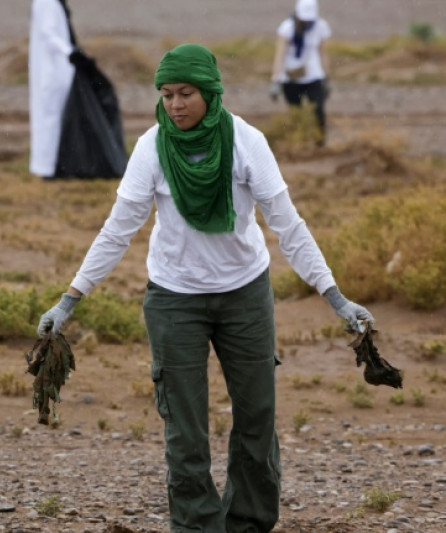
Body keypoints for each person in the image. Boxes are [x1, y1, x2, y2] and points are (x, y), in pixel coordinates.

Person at [37, 44, 373, 532]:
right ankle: (197, 527)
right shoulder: (152, 147)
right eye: (167, 94)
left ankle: (249, 523)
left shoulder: (247, 143)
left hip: (245, 295)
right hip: (174, 300)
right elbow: (118, 229)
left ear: (210, 93)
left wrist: (335, 297)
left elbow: (289, 226)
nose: (175, 104)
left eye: (186, 93)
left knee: (257, 418)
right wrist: (69, 300)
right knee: (185, 430)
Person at [269, 0, 332, 142]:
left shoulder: (321, 27)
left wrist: (327, 78)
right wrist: (275, 79)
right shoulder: (287, 28)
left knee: (318, 111)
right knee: (296, 112)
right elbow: (280, 54)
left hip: (314, 76)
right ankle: (300, 142)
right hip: (290, 78)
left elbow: (323, 53)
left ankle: (319, 143)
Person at [28, 0, 75, 179]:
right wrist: (69, 52)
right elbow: (48, 34)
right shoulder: (46, 2)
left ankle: (54, 166)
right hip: (51, 72)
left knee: (55, 120)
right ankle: (47, 169)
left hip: (57, 72)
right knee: (49, 121)